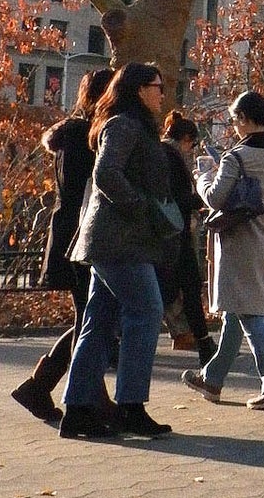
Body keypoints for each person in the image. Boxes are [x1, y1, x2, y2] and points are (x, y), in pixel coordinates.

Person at [59, 62, 181, 440]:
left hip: (114, 240)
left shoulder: (132, 124)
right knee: (147, 310)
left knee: (98, 322)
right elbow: (106, 173)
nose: (163, 93)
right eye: (158, 86)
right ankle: (130, 407)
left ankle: (78, 410)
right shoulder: (124, 124)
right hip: (119, 242)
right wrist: (140, 207)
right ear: (140, 89)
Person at [10, 67, 113, 424]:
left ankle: (41, 386)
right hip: (78, 236)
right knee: (91, 319)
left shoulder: (79, 134)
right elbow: (78, 193)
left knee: (88, 317)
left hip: (72, 233)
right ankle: (88, 396)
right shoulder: (83, 136)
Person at [183, 90, 264, 408]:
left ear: (244, 118)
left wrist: (203, 177)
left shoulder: (237, 157)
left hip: (240, 243)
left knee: (249, 314)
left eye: (234, 120)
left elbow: (216, 199)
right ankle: (212, 379)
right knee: (235, 311)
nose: (234, 126)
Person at [159, 112, 215, 367]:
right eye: (191, 145)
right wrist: (200, 199)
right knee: (190, 288)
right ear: (185, 138)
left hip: (170, 234)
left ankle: (196, 339)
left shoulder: (162, 153)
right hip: (176, 234)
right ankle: (202, 342)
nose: (191, 150)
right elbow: (178, 196)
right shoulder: (172, 157)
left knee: (177, 289)